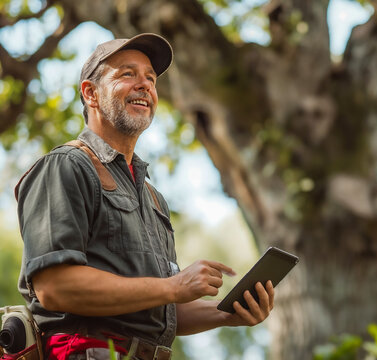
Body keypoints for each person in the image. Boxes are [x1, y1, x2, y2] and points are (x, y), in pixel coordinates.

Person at [15, 33, 275, 360]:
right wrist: (174, 287)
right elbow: (54, 286)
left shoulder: (153, 198)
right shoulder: (66, 167)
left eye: (151, 78)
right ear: (90, 93)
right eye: (128, 74)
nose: (145, 85)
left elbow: (162, 309)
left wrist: (226, 313)